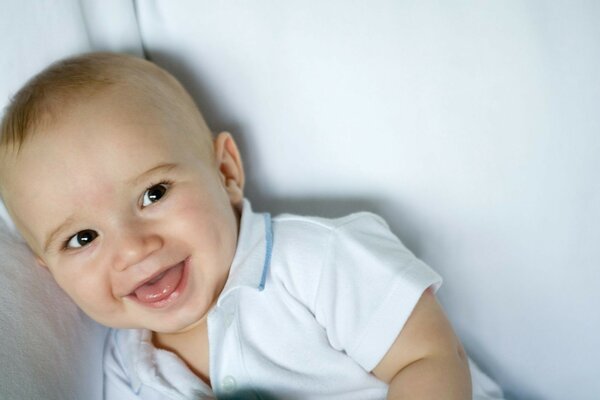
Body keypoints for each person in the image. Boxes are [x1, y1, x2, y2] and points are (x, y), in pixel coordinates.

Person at [0, 52, 483, 399]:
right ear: (48, 269)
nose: (132, 248)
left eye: (154, 193)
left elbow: (432, 359)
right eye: (82, 238)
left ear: (226, 172)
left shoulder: (315, 261)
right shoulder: (129, 369)